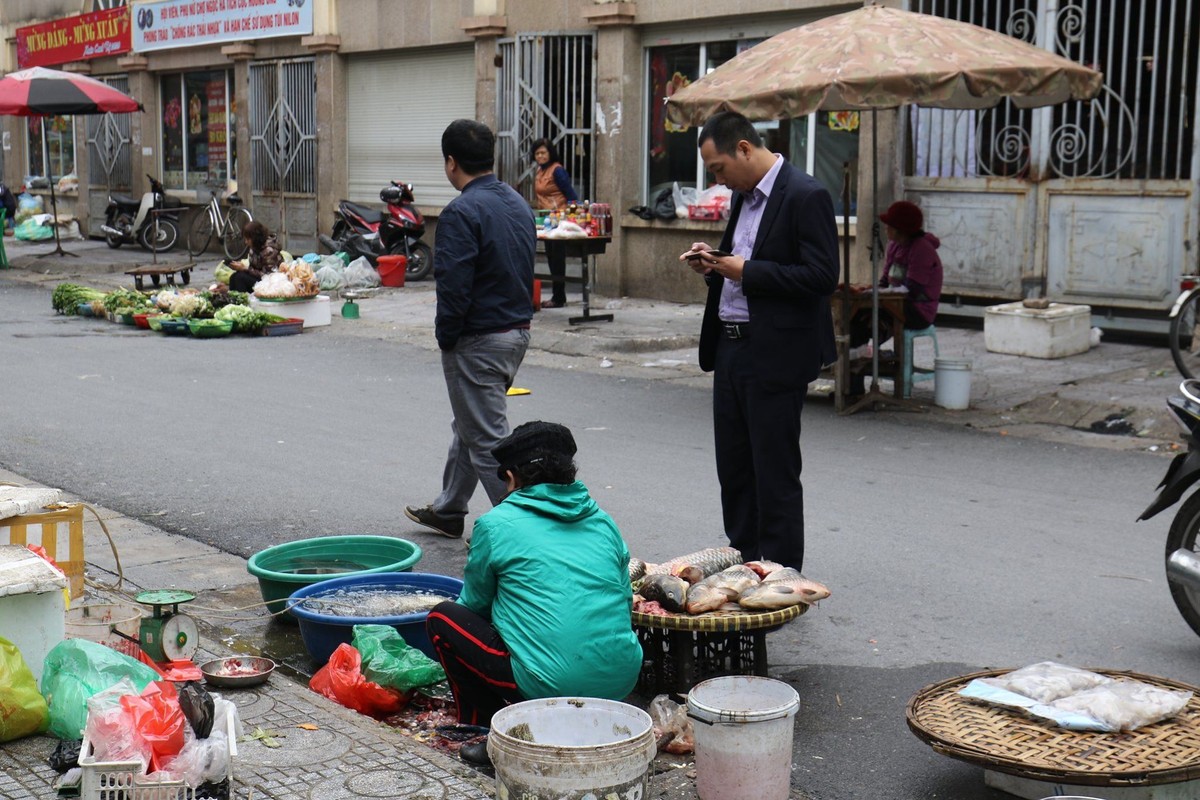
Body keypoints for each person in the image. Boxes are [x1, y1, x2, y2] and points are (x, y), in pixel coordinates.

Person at [425, 420, 642, 765]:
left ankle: (487, 732)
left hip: (550, 683)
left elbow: (476, 605)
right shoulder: (603, 521)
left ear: (511, 479)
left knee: (442, 618)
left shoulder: (496, 525)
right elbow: (623, 599)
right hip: (620, 676)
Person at [677, 110, 838, 572]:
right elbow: (745, 263)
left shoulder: (806, 195)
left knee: (774, 471)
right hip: (729, 348)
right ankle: (743, 563)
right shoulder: (744, 198)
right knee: (735, 468)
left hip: (776, 352)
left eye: (719, 169)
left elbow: (822, 275)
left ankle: (780, 576)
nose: (720, 181)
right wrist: (715, 263)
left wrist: (744, 270)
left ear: (744, 149)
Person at [404, 119, 536, 539]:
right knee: (471, 425)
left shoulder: (461, 211)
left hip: (479, 338)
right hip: (515, 333)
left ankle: (524, 532)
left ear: (450, 162)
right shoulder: (516, 202)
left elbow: (454, 287)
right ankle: (449, 508)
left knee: (487, 439)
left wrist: (447, 337)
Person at [848, 200, 943, 354]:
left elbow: (912, 290)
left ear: (901, 229)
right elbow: (885, 281)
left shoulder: (921, 249)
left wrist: (881, 296)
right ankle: (856, 362)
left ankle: (866, 358)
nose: (886, 229)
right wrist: (870, 290)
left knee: (870, 322)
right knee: (855, 316)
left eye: (890, 226)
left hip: (918, 310)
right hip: (895, 303)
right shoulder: (894, 246)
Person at [531, 138, 578, 309]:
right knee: (551, 257)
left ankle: (559, 297)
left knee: (557, 258)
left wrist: (573, 218)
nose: (540, 156)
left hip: (559, 219)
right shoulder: (539, 171)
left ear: (550, 153)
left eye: (543, 152)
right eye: (537, 153)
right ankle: (558, 296)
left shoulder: (557, 171)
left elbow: (571, 195)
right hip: (546, 219)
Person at [227, 220, 281, 293]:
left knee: (240, 278)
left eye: (248, 239)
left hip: (270, 283)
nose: (246, 242)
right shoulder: (254, 247)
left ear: (255, 238)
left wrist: (245, 269)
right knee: (234, 276)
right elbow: (253, 268)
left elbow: (268, 275)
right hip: (258, 278)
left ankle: (242, 302)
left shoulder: (269, 251)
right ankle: (232, 299)